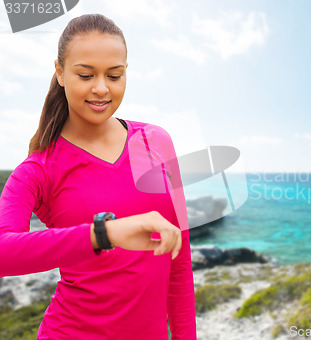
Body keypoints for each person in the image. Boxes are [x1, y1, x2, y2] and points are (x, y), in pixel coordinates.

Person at [0, 13, 196, 339]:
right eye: (86, 75)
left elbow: (179, 259)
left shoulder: (156, 141)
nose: (102, 89)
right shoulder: (37, 170)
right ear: (60, 73)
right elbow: (4, 255)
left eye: (114, 75)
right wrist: (103, 234)